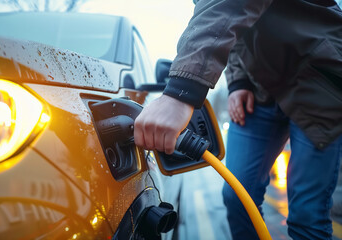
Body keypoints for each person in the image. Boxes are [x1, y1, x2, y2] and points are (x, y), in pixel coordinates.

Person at [134, 0, 342, 239]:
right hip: (259, 89)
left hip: (315, 77)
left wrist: (181, 90)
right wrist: (238, 82)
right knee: (238, 197)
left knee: (307, 215)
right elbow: (237, 25)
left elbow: (228, 5)